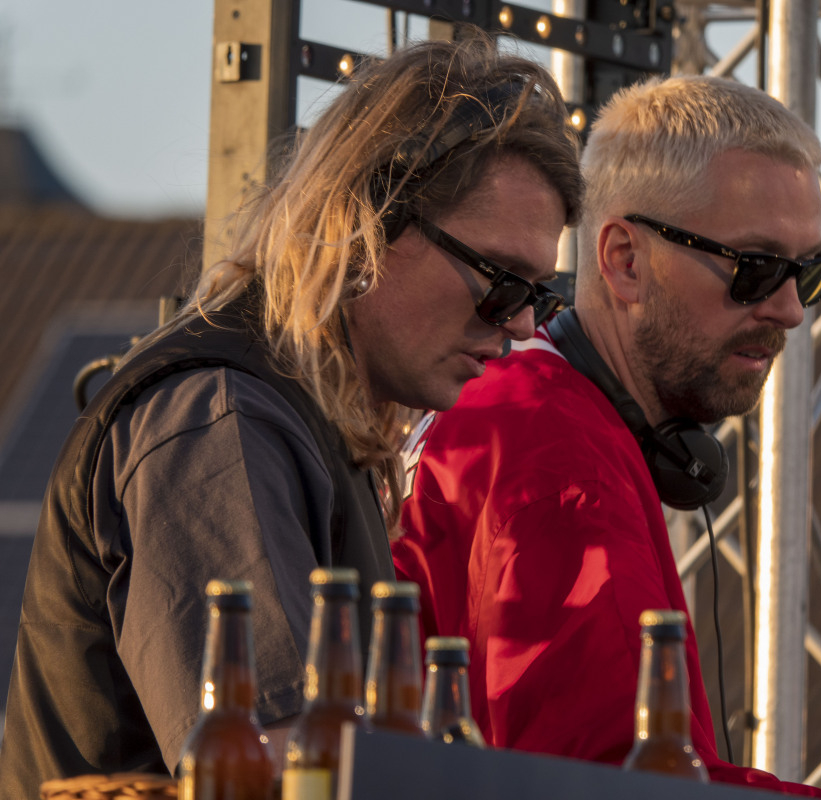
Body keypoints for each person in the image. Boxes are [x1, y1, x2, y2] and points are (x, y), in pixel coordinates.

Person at [0, 33, 582, 797]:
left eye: (540, 297)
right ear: (368, 225)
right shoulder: (222, 423)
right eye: (501, 281)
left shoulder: (295, 417)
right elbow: (279, 770)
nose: (521, 325)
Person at [393, 74, 821, 799]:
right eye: (757, 269)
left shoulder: (523, 404)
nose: (792, 309)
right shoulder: (558, 462)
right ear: (625, 261)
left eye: (810, 273)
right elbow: (620, 784)